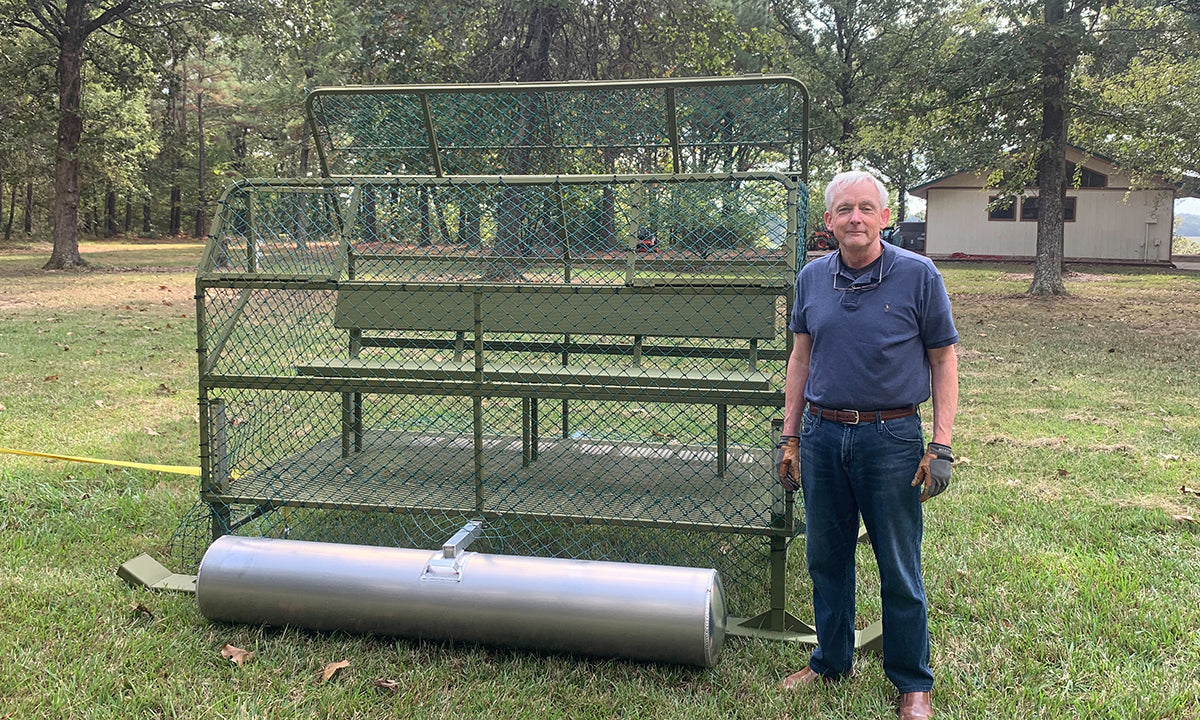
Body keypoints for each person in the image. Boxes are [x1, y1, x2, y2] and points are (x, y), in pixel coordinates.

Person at [776, 171, 959, 720]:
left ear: (884, 217)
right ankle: (830, 660)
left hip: (893, 438)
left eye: (866, 208)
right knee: (825, 558)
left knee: (898, 564)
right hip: (822, 434)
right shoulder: (811, 278)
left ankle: (912, 682)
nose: (855, 218)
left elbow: (943, 358)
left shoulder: (918, 275)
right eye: (843, 210)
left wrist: (942, 444)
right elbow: (800, 358)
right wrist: (790, 436)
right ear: (828, 221)